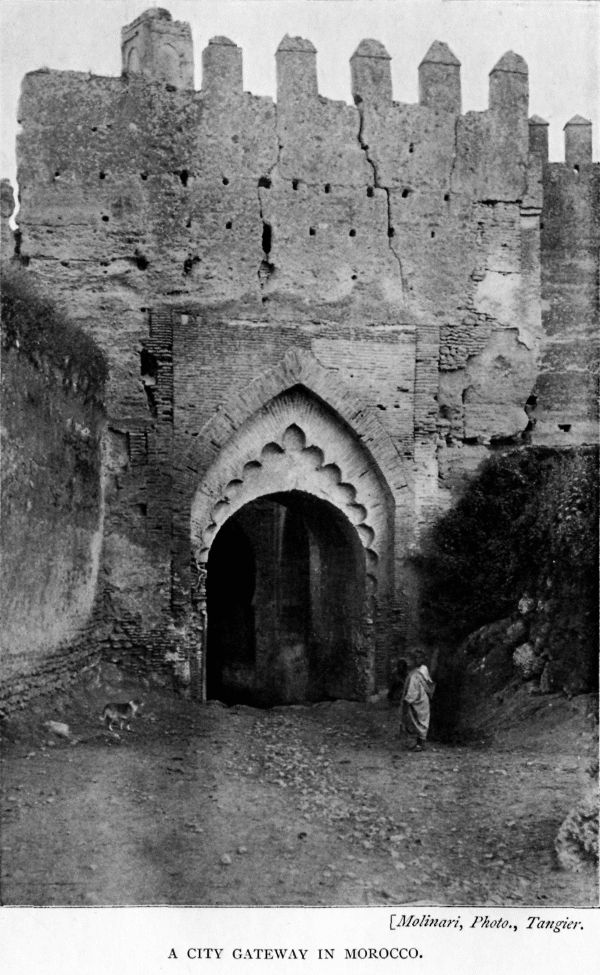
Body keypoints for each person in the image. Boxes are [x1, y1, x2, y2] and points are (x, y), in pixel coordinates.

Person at [401, 654, 436, 750]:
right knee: (422, 720)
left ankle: (420, 744)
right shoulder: (423, 669)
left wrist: (407, 701)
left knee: (417, 720)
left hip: (418, 700)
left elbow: (412, 692)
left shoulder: (415, 675)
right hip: (423, 699)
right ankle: (420, 742)